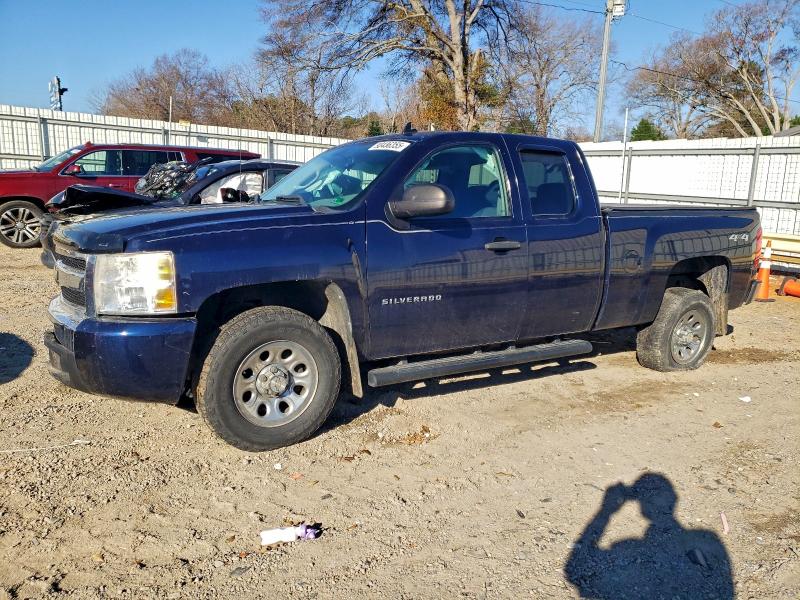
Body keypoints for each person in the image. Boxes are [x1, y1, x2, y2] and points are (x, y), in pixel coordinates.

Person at [565, 473, 733, 599]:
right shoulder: (707, 538)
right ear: (674, 499)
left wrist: (606, 511)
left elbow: (573, 570)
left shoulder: (630, 548)